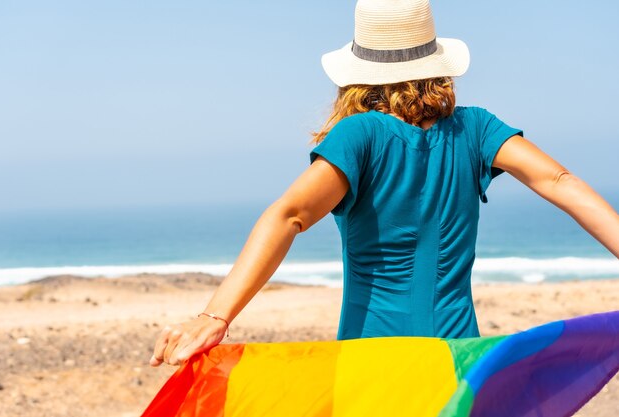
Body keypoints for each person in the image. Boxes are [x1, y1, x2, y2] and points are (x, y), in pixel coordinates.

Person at [149, 0, 619, 367]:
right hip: (458, 363)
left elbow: (289, 214)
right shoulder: (476, 130)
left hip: (371, 362)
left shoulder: (359, 135)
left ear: (357, 73)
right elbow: (559, 180)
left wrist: (216, 316)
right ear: (437, 61)